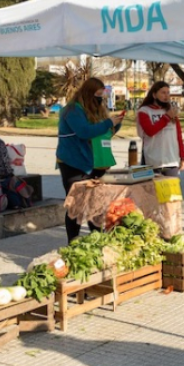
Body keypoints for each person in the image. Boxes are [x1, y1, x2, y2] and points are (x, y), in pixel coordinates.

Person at [57, 78, 124, 243]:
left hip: (96, 162)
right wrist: (109, 122)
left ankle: (97, 241)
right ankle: (73, 243)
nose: (100, 99)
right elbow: (84, 132)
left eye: (102, 95)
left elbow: (102, 133)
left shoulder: (96, 110)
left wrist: (115, 125)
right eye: (97, 95)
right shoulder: (72, 110)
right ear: (88, 93)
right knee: (76, 206)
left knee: (97, 205)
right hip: (74, 163)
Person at [137, 81, 184, 176]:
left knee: (172, 191)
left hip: (171, 161)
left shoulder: (170, 111)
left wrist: (183, 157)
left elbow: (178, 136)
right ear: (154, 95)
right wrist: (166, 117)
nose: (166, 96)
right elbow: (150, 131)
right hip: (153, 162)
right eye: (163, 93)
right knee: (154, 190)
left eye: (168, 93)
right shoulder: (144, 111)